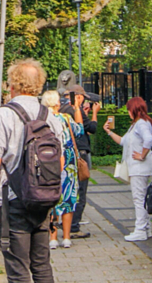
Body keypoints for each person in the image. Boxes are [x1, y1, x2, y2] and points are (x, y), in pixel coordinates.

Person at [0, 59, 64, 283]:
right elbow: (61, 162)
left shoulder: (3, 115)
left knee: (18, 270)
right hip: (44, 199)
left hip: (12, 201)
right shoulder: (50, 117)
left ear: (13, 84)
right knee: (42, 265)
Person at [103, 96, 152, 241]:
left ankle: (140, 229)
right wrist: (109, 132)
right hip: (138, 167)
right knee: (141, 198)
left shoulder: (141, 124)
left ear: (134, 109)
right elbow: (123, 141)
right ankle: (146, 228)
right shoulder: (137, 124)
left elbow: (149, 139)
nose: (128, 112)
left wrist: (142, 155)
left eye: (129, 110)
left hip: (139, 167)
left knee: (139, 198)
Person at [42, 90, 81, 250]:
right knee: (68, 199)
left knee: (51, 199)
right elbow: (79, 130)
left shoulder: (41, 119)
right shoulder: (65, 118)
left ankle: (52, 237)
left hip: (48, 162)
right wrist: (77, 108)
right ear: (57, 103)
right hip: (68, 164)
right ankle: (66, 237)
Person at [60, 84, 98, 238]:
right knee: (80, 190)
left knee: (67, 189)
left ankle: (62, 222)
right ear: (79, 97)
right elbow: (90, 128)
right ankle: (74, 227)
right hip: (79, 153)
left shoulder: (62, 109)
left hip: (65, 153)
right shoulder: (75, 110)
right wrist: (94, 113)